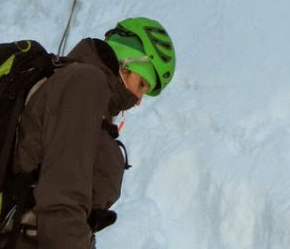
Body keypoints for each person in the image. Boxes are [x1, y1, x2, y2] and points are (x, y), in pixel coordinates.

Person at [9, 17, 176, 249]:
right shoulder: (85, 83)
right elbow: (62, 201)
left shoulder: (81, 90)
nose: (139, 100)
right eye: (141, 84)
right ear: (126, 63)